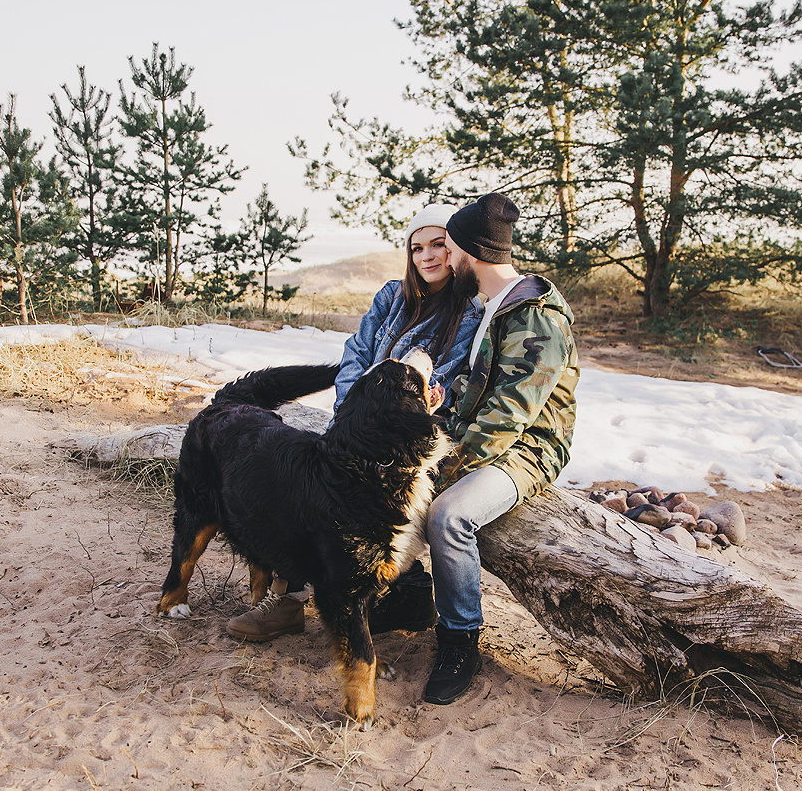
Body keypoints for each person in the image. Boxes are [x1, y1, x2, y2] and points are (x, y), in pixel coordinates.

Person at [226, 202, 484, 642]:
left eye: (439, 244)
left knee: (351, 511)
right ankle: (288, 601)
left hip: (410, 443)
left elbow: (441, 383)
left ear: (456, 250)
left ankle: (397, 595)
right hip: (355, 429)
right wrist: (350, 417)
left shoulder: (468, 314)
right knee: (305, 485)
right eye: (417, 247)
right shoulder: (392, 296)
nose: (427, 257)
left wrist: (378, 423)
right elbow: (355, 356)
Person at [421, 192, 579, 705]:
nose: (445, 259)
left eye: (450, 249)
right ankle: (401, 600)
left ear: (470, 252)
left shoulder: (536, 317)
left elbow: (511, 416)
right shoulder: (489, 307)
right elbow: (475, 388)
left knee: (448, 515)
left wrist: (443, 468)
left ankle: (460, 640)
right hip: (488, 433)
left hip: (531, 448)